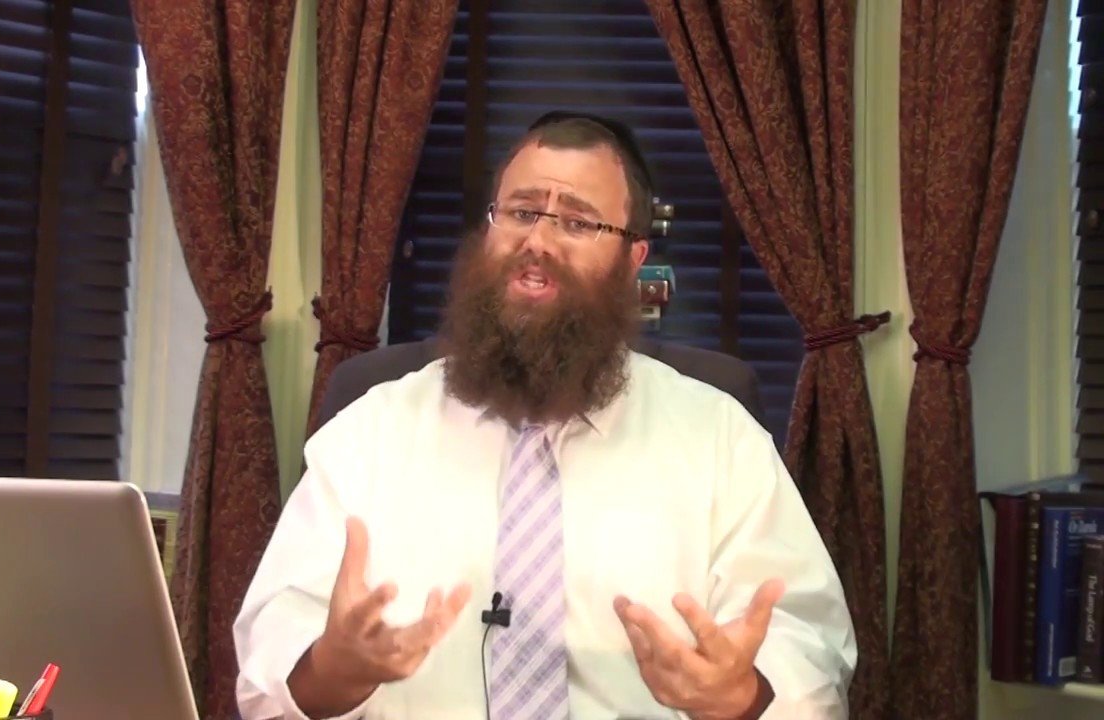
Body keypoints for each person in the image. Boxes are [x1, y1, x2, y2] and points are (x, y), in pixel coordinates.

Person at [232, 111, 858, 720]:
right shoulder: (370, 432)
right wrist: (330, 673)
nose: (537, 242)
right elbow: (270, 658)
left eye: (578, 223)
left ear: (633, 258)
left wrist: (740, 697)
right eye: (522, 212)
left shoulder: (720, 440)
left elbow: (809, 652)